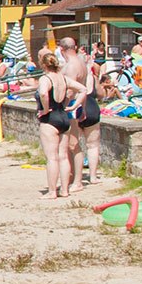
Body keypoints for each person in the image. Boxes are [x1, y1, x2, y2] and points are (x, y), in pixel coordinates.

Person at [34, 53, 88, 199]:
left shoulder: (45, 78)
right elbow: (84, 89)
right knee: (63, 157)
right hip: (63, 117)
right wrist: (74, 106)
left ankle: (52, 191)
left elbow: (44, 94)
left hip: (50, 118)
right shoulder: (63, 78)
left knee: (52, 157)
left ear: (43, 64)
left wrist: (44, 110)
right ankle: (65, 190)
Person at [57, 37, 103, 184]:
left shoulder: (71, 66)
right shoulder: (82, 63)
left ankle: (75, 179)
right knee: (92, 144)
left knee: (72, 145)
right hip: (89, 103)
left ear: (61, 49)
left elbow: (71, 91)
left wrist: (60, 104)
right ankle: (93, 176)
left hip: (74, 105)